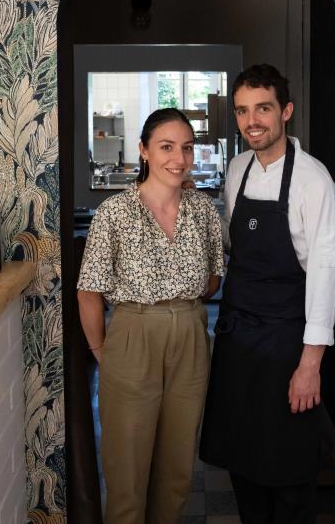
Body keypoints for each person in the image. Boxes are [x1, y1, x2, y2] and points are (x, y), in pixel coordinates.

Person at [199, 65, 335, 524]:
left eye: (262, 108)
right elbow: (230, 248)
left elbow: (326, 272)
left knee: (288, 476)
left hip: (287, 345)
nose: (251, 121)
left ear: (286, 112)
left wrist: (310, 364)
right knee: (244, 466)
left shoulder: (312, 180)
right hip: (239, 340)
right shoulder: (237, 170)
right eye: (242, 111)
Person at [77, 108, 223, 524]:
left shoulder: (203, 210)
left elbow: (213, 278)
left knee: (177, 471)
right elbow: (88, 291)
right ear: (143, 151)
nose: (179, 157)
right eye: (166, 146)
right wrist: (103, 352)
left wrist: (183, 305)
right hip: (132, 335)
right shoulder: (114, 213)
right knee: (128, 470)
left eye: (187, 148)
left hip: (191, 336)